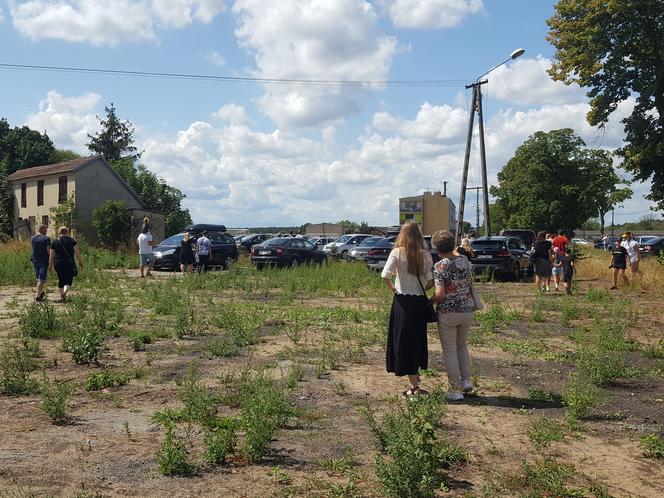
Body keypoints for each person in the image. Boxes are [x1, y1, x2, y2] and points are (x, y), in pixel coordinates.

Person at [381, 221, 433, 396]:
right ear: (418, 235)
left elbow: (385, 275)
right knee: (416, 339)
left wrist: (395, 289)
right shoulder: (425, 255)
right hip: (419, 303)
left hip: (402, 302)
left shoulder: (396, 252)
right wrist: (420, 290)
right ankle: (415, 378)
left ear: (402, 235)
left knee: (403, 340)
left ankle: (414, 387)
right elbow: (431, 281)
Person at [431, 230, 479, 401]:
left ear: (436, 249)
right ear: (453, 245)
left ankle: (455, 389)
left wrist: (430, 301)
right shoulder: (464, 260)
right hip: (467, 309)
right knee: (462, 345)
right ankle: (466, 381)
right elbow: (457, 253)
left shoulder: (439, 266)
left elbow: (439, 294)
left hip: (448, 312)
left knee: (450, 351)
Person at [49, 226, 84, 302]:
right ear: (67, 232)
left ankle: (62, 297)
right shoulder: (72, 241)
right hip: (69, 263)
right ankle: (64, 293)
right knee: (69, 281)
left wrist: (50, 265)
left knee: (61, 280)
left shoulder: (55, 242)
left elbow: (51, 255)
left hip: (58, 264)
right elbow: (77, 253)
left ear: (59, 232)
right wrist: (81, 262)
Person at [31, 224, 51, 302]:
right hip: (43, 261)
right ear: (42, 229)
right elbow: (49, 251)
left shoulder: (33, 238)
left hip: (34, 260)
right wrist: (51, 263)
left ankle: (41, 292)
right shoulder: (46, 239)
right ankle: (38, 296)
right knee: (42, 279)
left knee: (38, 278)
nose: (46, 231)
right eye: (46, 230)